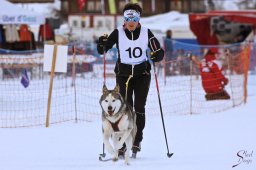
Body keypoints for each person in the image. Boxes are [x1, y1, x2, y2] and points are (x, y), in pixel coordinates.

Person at [97, 3, 164, 157]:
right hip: (124, 76)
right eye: (128, 18)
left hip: (142, 75)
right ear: (124, 19)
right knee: (125, 109)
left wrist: (157, 55)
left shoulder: (146, 32)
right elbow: (102, 49)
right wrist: (101, 43)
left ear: (139, 18)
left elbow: (159, 51)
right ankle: (121, 143)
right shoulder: (118, 32)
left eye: (134, 18)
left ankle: (137, 139)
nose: (131, 21)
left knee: (139, 107)